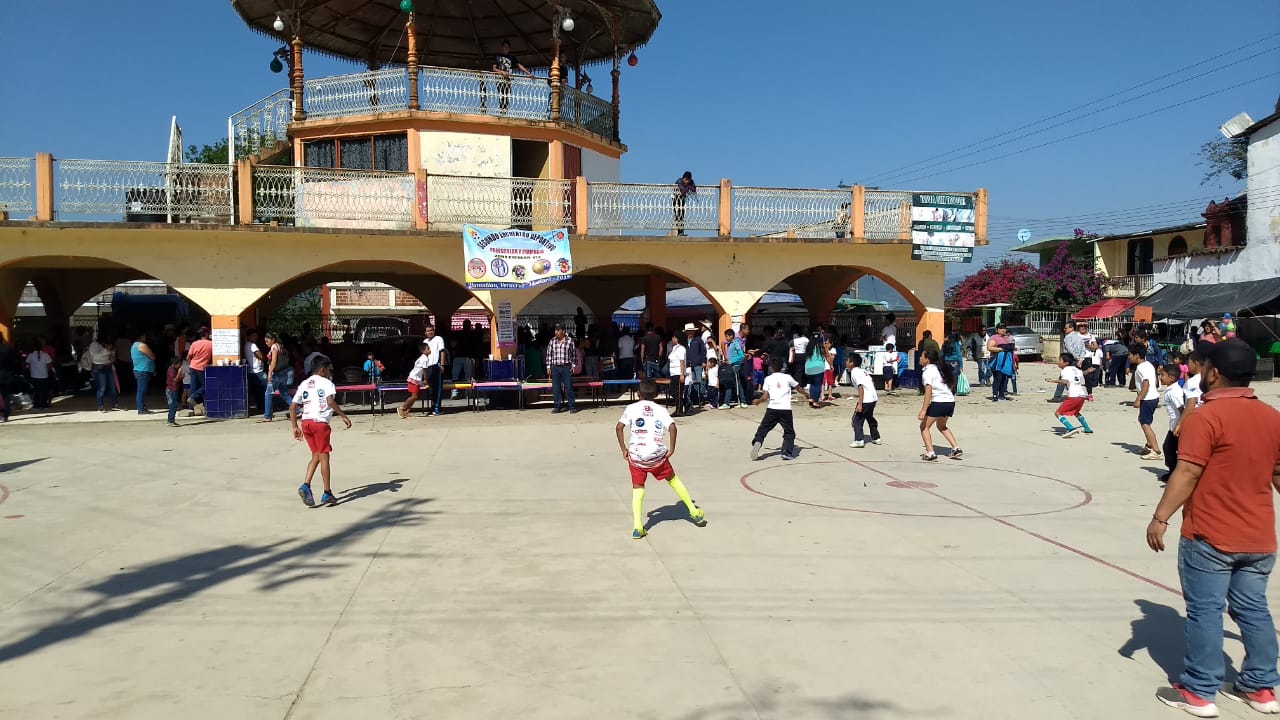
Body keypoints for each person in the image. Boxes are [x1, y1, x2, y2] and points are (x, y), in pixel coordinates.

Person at [1146, 339, 1280, 718]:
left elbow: (1187, 471)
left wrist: (1160, 517)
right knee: (1253, 609)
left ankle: (1199, 690)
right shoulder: (1271, 417)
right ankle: (1260, 687)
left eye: (1203, 367)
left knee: (1205, 611)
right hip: (1259, 537)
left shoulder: (1205, 418)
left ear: (1214, 373)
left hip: (1210, 535)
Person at [615, 379, 707, 539]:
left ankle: (637, 527)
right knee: (673, 480)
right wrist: (671, 449)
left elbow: (619, 427)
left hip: (636, 456)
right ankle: (694, 512)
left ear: (638, 394)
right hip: (656, 456)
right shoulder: (661, 410)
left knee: (638, 488)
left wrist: (624, 449)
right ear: (657, 395)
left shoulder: (631, 408)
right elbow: (672, 427)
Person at [289, 358, 352, 508]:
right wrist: (343, 415)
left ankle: (306, 485)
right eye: (329, 369)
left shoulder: (304, 383)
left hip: (306, 423)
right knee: (324, 457)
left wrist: (295, 427)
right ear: (322, 369)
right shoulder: (327, 383)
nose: (330, 372)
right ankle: (327, 492)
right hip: (320, 424)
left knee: (316, 455)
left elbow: (292, 407)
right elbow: (330, 401)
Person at [750, 357, 809, 462]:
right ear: (782, 367)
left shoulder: (768, 379)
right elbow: (798, 388)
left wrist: (758, 401)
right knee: (789, 432)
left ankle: (758, 441)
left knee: (763, 428)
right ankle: (786, 452)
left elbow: (765, 397)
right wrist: (806, 394)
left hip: (772, 408)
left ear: (770, 368)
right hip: (785, 409)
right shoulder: (787, 377)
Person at [918, 350, 961, 461]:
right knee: (941, 426)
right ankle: (956, 448)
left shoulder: (928, 372)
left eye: (921, 356)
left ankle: (930, 453)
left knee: (924, 427)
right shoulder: (940, 369)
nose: (920, 358)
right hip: (950, 401)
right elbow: (950, 385)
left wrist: (923, 410)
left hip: (939, 402)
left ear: (927, 359)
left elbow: (928, 392)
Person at [1046, 352, 1092, 438]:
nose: (1058, 362)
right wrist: (1088, 370)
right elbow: (1083, 373)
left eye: (1060, 360)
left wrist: (1052, 380)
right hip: (1082, 395)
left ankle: (1071, 428)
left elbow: (1064, 381)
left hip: (1073, 395)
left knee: (1058, 413)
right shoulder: (1074, 368)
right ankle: (1087, 428)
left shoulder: (1065, 370)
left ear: (1066, 363)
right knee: (1076, 412)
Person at [1129, 342, 1162, 461]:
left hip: (1147, 398)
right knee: (1142, 419)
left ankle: (1156, 451)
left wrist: (1138, 399)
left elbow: (1146, 384)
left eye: (1130, 355)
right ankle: (1149, 445)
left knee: (1145, 424)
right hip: (1153, 397)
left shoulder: (1141, 368)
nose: (1129, 357)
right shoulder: (1148, 364)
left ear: (1137, 355)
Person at [1155, 363, 1186, 486]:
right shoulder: (1170, 390)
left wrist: (1180, 424)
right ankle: (1173, 471)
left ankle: (1174, 472)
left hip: (1177, 426)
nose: (1160, 377)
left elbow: (1182, 409)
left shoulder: (1174, 392)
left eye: (1163, 375)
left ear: (1172, 378)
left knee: (1169, 448)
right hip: (1173, 425)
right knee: (1170, 449)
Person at [847, 353, 880, 448]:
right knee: (869, 417)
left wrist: (860, 404)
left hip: (866, 399)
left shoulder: (854, 372)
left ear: (852, 363)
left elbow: (860, 388)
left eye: (847, 360)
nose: (846, 362)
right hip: (873, 398)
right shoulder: (863, 371)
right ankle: (876, 437)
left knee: (856, 420)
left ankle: (859, 440)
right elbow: (871, 381)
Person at [491, 40, 533, 115]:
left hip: (508, 80)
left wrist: (529, 74)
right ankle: (502, 111)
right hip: (500, 80)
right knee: (501, 95)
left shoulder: (512, 57)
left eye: (507, 47)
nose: (506, 48)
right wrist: (502, 72)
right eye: (504, 46)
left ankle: (505, 112)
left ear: (509, 48)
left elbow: (520, 66)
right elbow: (494, 68)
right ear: (502, 47)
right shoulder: (498, 57)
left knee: (507, 95)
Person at [261, 332, 293, 422]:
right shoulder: (280, 346)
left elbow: (274, 361)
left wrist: (269, 373)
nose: (266, 343)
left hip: (277, 374)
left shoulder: (274, 347)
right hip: (283, 372)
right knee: (284, 393)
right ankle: (296, 411)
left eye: (267, 341)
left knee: (268, 393)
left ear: (273, 340)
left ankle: (267, 416)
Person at [545, 323, 577, 414]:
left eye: (558, 330)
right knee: (556, 388)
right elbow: (549, 355)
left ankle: (572, 406)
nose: (556, 332)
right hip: (555, 367)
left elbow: (573, 354)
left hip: (566, 367)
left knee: (568, 387)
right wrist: (548, 367)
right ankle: (557, 406)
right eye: (555, 330)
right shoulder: (552, 341)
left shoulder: (570, 341)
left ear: (563, 331)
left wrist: (573, 366)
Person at [397, 343, 431, 419]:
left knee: (414, 397)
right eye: (428, 348)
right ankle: (402, 408)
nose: (430, 350)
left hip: (415, 378)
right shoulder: (425, 359)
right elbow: (425, 371)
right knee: (414, 396)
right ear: (423, 351)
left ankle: (407, 411)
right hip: (414, 379)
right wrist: (425, 380)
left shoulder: (423, 358)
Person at [87, 332, 118, 412]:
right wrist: (106, 350)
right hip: (99, 367)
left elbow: (111, 357)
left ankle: (115, 404)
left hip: (108, 366)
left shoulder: (105, 344)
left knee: (112, 387)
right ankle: (100, 406)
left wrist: (112, 354)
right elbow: (94, 357)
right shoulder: (94, 345)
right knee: (102, 387)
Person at [186, 327, 213, 416]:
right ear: (207, 334)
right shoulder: (211, 344)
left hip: (193, 367)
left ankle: (191, 408)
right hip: (202, 368)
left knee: (193, 387)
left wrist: (190, 366)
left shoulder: (194, 344)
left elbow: (188, 357)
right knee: (206, 386)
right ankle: (198, 400)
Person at [422, 324, 447, 416]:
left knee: (438, 388)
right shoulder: (425, 341)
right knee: (431, 389)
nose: (430, 332)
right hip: (428, 367)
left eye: (431, 330)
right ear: (425, 333)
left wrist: (442, 365)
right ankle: (432, 407)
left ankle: (437, 409)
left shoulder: (439, 339)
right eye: (428, 331)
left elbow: (442, 352)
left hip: (437, 365)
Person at [987, 325, 1015, 402]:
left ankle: (1002, 395)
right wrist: (1001, 349)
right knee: (998, 378)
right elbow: (989, 347)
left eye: (1004, 328)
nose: (1003, 330)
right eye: (1001, 328)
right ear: (997, 330)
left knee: (1004, 379)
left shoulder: (1007, 338)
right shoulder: (994, 337)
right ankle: (995, 395)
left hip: (1006, 362)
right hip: (996, 362)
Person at [130, 330, 155, 415]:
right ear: (140, 337)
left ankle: (142, 407)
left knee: (142, 390)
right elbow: (152, 356)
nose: (145, 337)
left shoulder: (134, 345)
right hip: (143, 370)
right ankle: (141, 409)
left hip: (140, 370)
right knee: (141, 390)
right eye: (144, 336)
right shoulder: (142, 345)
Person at [683, 323, 707, 409]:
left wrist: (703, 361)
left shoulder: (698, 340)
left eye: (691, 331)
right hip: (689, 365)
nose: (689, 333)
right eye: (688, 331)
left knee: (700, 381)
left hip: (698, 363)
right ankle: (695, 398)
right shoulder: (685, 341)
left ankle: (702, 398)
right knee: (692, 382)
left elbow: (703, 351)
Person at [25, 341, 54, 410]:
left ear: (33, 347)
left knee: (36, 390)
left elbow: (27, 364)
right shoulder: (46, 355)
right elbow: (49, 364)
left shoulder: (31, 355)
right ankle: (44, 404)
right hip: (44, 375)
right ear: (41, 347)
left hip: (34, 375)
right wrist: (46, 370)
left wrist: (30, 369)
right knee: (44, 390)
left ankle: (37, 405)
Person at [666, 330, 687, 416]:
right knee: (672, 391)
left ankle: (679, 409)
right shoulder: (674, 348)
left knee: (677, 391)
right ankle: (684, 404)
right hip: (673, 373)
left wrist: (682, 374)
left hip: (678, 373)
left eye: (674, 337)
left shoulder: (681, 348)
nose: (672, 339)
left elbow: (682, 362)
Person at [244, 330, 267, 411]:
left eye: (256, 335)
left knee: (256, 391)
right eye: (253, 335)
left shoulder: (246, 344)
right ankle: (265, 408)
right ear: (248, 336)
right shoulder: (253, 345)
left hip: (250, 371)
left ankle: (260, 407)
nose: (255, 337)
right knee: (265, 390)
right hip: (258, 371)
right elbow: (260, 356)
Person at [672, 171, 696, 236]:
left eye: (688, 180)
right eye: (686, 180)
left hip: (682, 199)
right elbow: (683, 191)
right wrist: (688, 187)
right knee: (678, 215)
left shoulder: (691, 181)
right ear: (683, 178)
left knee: (682, 215)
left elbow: (694, 189)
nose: (687, 181)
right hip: (675, 199)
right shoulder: (679, 181)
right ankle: (679, 232)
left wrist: (688, 186)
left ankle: (681, 232)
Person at [164, 355, 183, 427]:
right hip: (171, 391)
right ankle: (170, 421)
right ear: (175, 363)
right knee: (173, 406)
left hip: (173, 390)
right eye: (179, 364)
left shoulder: (173, 370)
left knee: (174, 405)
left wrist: (180, 376)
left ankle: (171, 420)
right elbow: (174, 380)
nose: (180, 366)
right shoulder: (171, 370)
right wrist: (179, 373)